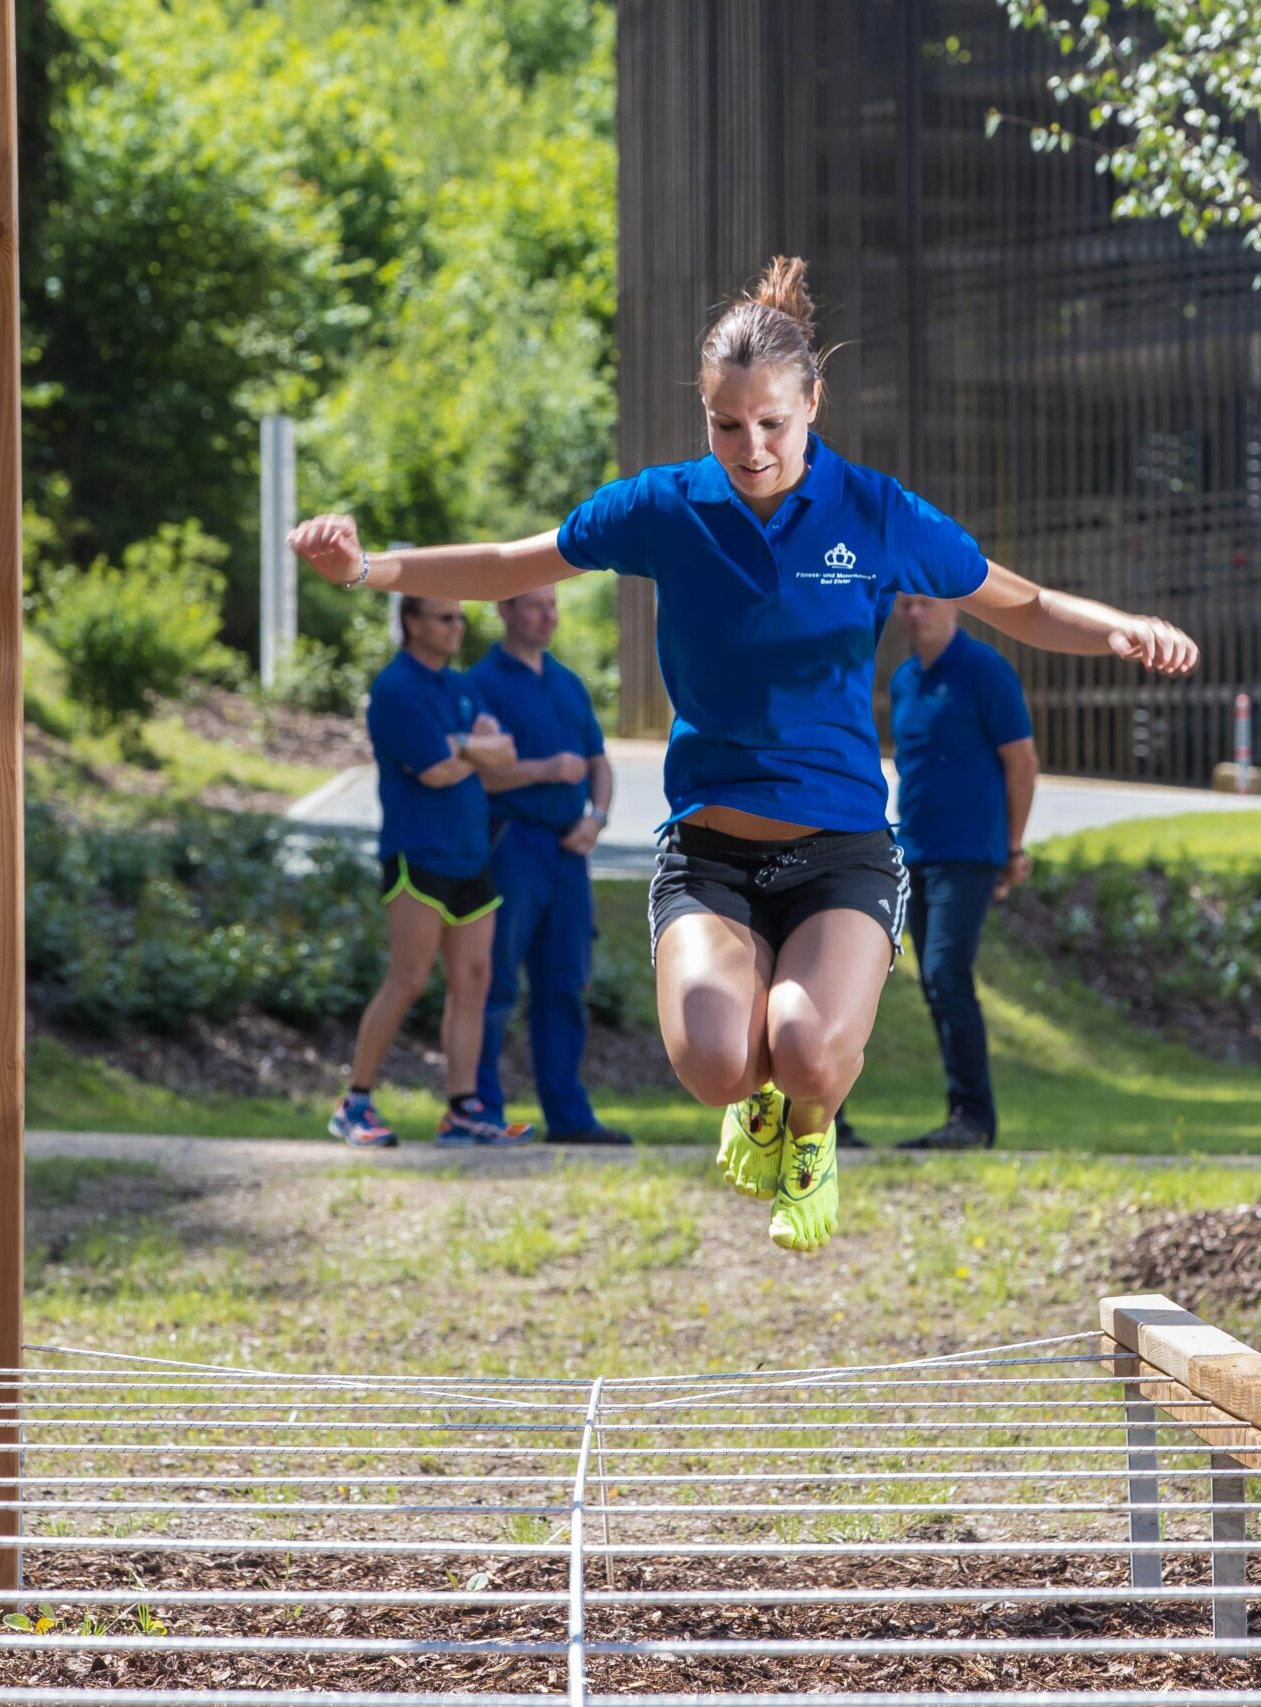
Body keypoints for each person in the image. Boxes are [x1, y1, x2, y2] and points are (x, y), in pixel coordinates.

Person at [293, 256, 1196, 1248]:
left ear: (812, 404)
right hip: (710, 853)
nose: (751, 448)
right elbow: (512, 563)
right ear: (704, 414)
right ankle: (757, 1099)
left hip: (842, 850)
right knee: (719, 1063)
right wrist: (368, 568)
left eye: (772, 422)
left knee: (805, 1047)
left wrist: (1119, 627)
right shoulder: (664, 508)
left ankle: (810, 1132)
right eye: (727, 425)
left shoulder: (875, 512)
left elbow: (1020, 602)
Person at [328, 593, 538, 1150]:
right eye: (446, 617)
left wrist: (462, 745)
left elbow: (506, 753)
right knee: (410, 978)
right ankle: (354, 1104)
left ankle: (463, 1110)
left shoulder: (461, 687)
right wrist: (474, 749)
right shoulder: (396, 688)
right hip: (416, 853)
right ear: (412, 622)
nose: (457, 626)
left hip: (472, 854)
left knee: (474, 981)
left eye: (461, 617)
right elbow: (436, 773)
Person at [469, 587, 632, 1146]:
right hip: (512, 843)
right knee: (494, 981)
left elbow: (598, 763)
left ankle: (569, 1116)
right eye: (535, 606)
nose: (548, 616)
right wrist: (544, 769)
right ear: (504, 610)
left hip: (569, 852)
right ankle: (481, 1110)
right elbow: (479, 775)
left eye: (553, 605)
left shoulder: (567, 683)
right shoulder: (481, 684)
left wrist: (597, 818)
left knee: (565, 982)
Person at [886, 593, 1037, 1150]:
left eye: (925, 603)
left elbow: (1022, 762)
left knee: (947, 973)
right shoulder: (904, 680)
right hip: (915, 853)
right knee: (934, 983)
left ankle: (974, 1119)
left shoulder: (984, 671)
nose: (913, 614)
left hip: (971, 852)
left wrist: (1012, 847)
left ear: (954, 609)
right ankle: (961, 1117)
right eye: (905, 604)